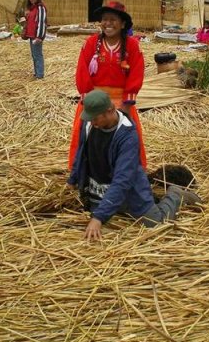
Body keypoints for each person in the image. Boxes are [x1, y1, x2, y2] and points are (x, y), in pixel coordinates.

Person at [67, 90, 201, 241]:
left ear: (109, 111)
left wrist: (98, 218)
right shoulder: (89, 123)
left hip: (129, 192)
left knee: (156, 224)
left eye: (95, 118)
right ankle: (113, 207)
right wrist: (73, 180)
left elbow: (123, 179)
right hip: (99, 193)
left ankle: (175, 195)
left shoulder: (127, 134)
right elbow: (81, 153)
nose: (92, 122)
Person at [68, 1, 146, 169]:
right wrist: (89, 101)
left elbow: (136, 74)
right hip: (94, 101)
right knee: (87, 138)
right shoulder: (90, 43)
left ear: (123, 24)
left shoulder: (132, 46)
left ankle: (124, 175)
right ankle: (84, 174)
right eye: (104, 19)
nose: (108, 23)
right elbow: (82, 70)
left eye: (113, 19)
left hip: (122, 102)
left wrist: (126, 105)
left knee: (124, 139)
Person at [25, 0, 47, 79]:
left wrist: (39, 36)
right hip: (31, 35)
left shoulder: (40, 7)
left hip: (36, 36)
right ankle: (37, 73)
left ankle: (40, 75)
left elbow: (42, 22)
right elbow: (32, 21)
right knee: (34, 55)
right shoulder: (32, 8)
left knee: (38, 55)